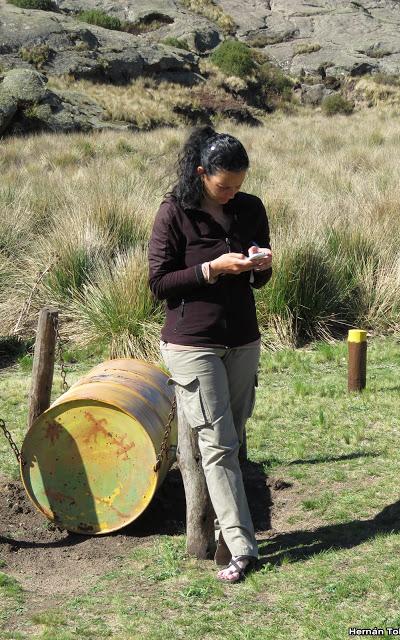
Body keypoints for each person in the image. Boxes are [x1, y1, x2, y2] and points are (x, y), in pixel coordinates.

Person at [148, 125, 273, 583]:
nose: (231, 194)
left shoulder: (251, 208)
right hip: (191, 342)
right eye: (224, 186)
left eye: (238, 185)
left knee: (233, 440)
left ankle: (227, 528)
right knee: (216, 445)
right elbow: (159, 282)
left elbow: (260, 281)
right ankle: (242, 547)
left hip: (243, 338)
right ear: (201, 174)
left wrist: (261, 264)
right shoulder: (173, 213)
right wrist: (209, 269)